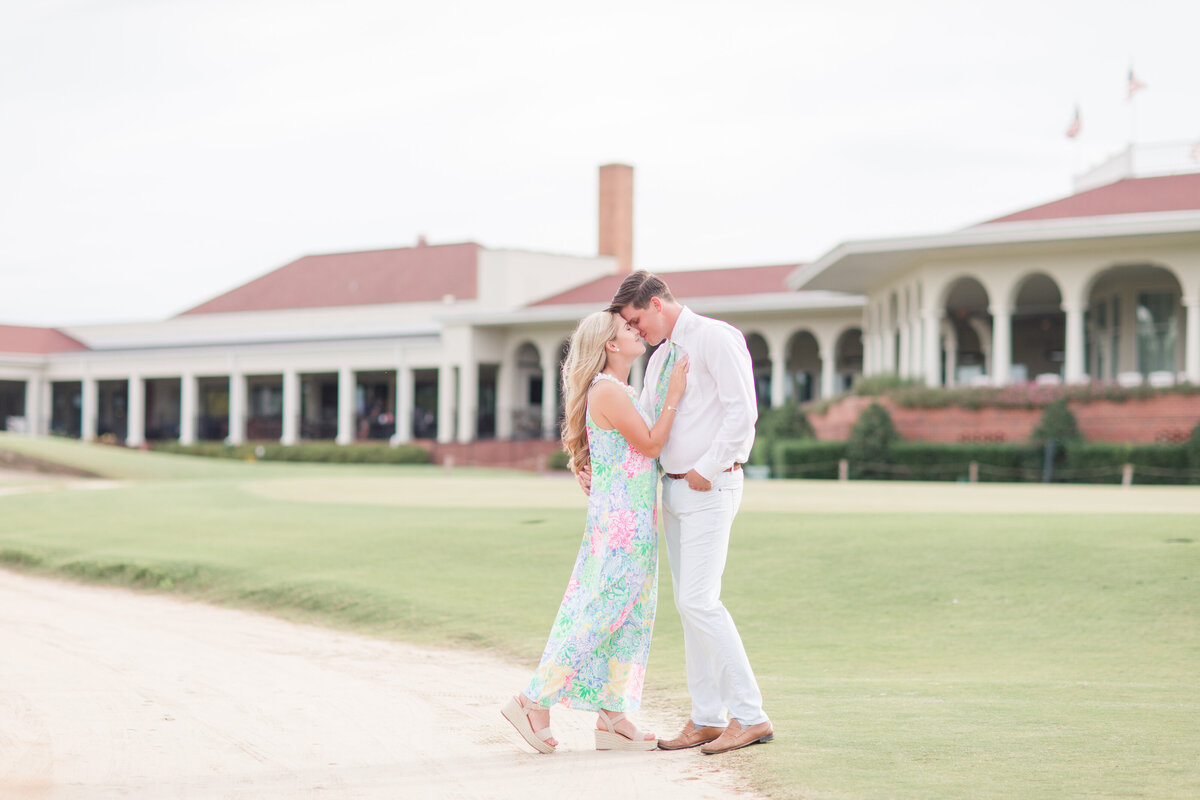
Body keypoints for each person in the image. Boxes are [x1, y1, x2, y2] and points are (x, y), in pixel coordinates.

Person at [502, 310, 689, 753]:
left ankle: (613, 715)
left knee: (632, 614)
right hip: (623, 523)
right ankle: (532, 701)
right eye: (628, 328)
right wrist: (674, 396)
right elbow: (649, 444)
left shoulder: (617, 389)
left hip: (630, 519)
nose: (637, 331)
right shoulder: (607, 390)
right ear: (609, 344)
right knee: (602, 612)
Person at [607, 269, 773, 755]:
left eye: (637, 320)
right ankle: (706, 718)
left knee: (699, 601)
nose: (636, 331)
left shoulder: (715, 338)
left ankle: (751, 714)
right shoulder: (660, 359)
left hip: (710, 486)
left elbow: (743, 412)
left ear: (657, 303)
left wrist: (709, 466)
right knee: (687, 606)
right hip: (672, 492)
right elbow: (650, 421)